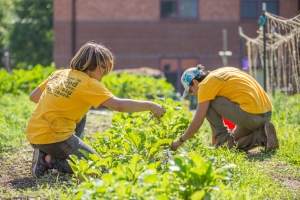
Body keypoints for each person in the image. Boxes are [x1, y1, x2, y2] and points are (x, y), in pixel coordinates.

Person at [26, 41, 166, 178]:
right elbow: (118, 105)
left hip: (33, 133)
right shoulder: (89, 83)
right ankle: (47, 161)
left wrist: (60, 105)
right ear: (92, 65)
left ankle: (47, 152)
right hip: (53, 137)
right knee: (97, 168)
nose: (105, 73)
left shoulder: (60, 74)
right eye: (103, 68)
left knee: (82, 112)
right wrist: (150, 105)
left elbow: (34, 96)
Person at [170, 64, 279, 152]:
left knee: (206, 102)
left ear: (195, 82)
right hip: (266, 114)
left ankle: (223, 140)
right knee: (231, 145)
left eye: (190, 91)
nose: (193, 94)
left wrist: (179, 141)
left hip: (251, 115)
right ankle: (262, 136)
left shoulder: (204, 86)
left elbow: (197, 122)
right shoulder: (222, 72)